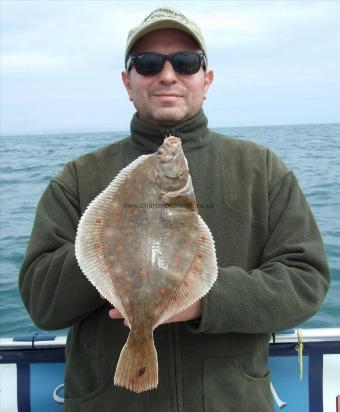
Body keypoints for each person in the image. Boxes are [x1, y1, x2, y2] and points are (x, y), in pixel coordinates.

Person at [19, 7, 330, 412]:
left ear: (207, 79)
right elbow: (42, 302)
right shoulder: (80, 177)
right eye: (147, 64)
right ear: (126, 83)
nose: (167, 75)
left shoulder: (261, 170)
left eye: (185, 63)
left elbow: (306, 281)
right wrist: (111, 237)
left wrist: (203, 301)